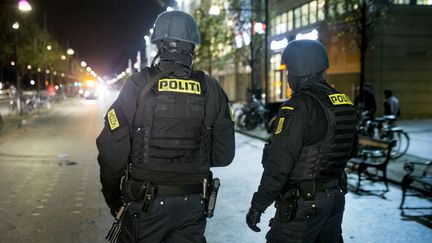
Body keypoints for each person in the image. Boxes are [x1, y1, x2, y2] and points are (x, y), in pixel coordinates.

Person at [96, 10, 235, 243]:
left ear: (159, 46)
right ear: (192, 46)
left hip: (145, 206)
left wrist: (113, 197)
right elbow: (223, 155)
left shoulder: (138, 84)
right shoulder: (210, 87)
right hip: (192, 206)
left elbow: (112, 151)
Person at [246, 39, 358, 242]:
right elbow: (351, 149)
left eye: (288, 70)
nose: (288, 75)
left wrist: (258, 206)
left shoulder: (297, 108)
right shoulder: (343, 101)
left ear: (298, 73)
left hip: (303, 206)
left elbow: (278, 166)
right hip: (334, 199)